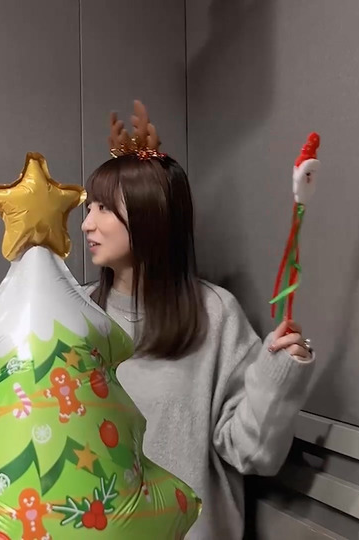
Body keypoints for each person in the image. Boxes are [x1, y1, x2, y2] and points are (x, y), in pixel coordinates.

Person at [80, 101, 315, 539]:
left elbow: (253, 454)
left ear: (150, 215)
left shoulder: (215, 314)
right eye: (88, 208)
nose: (87, 225)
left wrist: (278, 375)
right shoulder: (73, 314)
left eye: (103, 209)